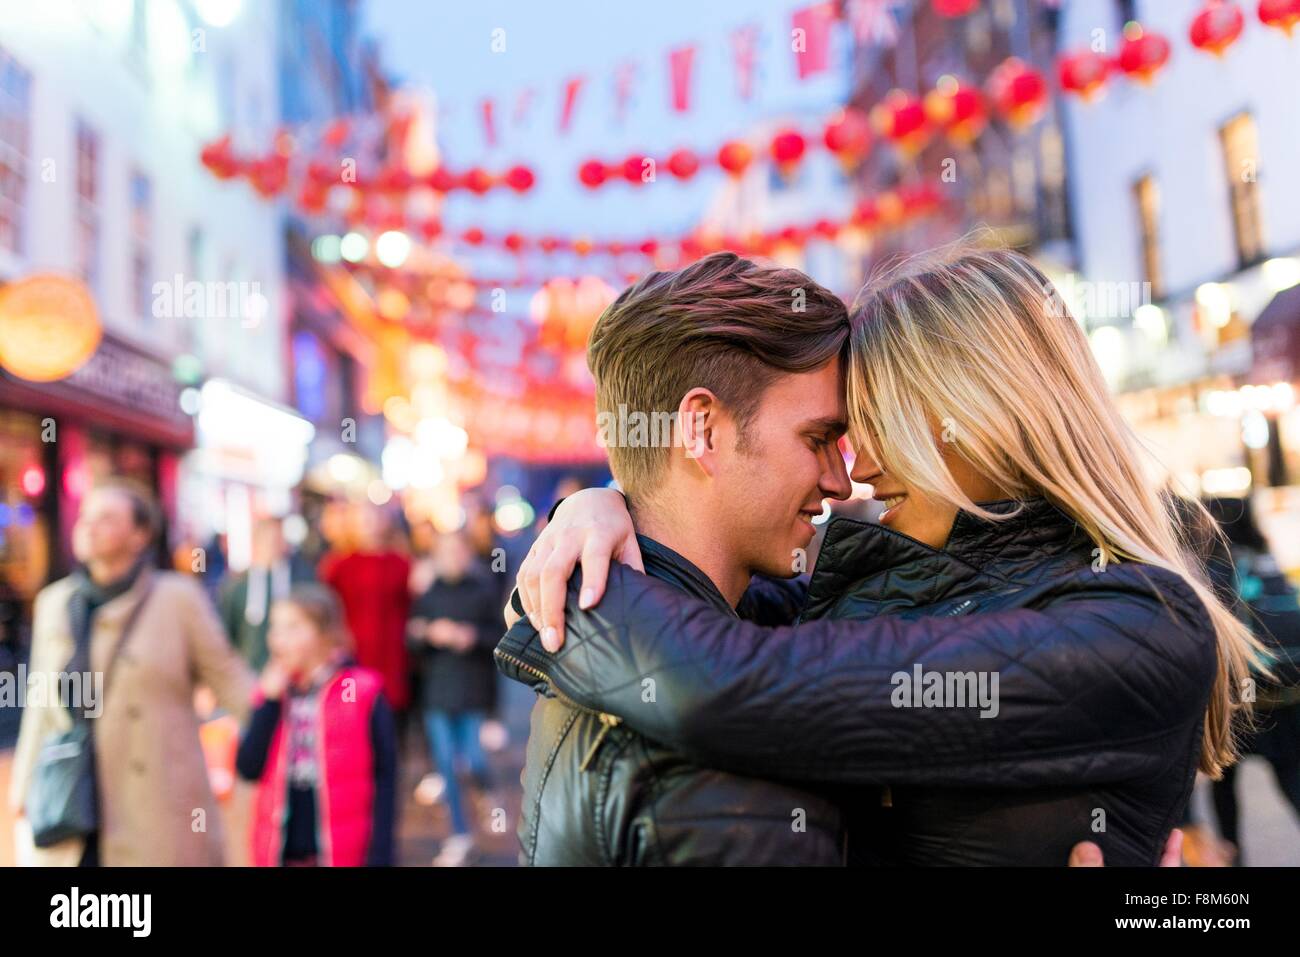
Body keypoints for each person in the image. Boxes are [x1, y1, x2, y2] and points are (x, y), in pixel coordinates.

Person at [504, 246, 1260, 866]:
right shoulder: (904, 581)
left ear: (981, 413)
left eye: (877, 424)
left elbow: (724, 683)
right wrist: (595, 509)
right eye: (830, 435)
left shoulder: (1138, 624)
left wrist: (571, 587)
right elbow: (700, 604)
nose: (855, 471)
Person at [498, 254, 850, 864]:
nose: (839, 481)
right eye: (817, 439)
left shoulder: (626, 653)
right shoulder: (709, 745)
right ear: (703, 431)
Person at [9, 478, 255, 865]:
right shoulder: (56, 602)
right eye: (86, 516)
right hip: (74, 796)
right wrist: (22, 789)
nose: (88, 525)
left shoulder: (177, 599)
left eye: (106, 518)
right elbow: (40, 704)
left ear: (140, 535)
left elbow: (229, 679)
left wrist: (274, 727)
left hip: (158, 802)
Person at [236, 584, 397, 867]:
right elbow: (248, 766)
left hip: (342, 851)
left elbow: (386, 779)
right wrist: (269, 704)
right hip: (281, 851)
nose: (279, 639)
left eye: (293, 627)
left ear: (326, 633)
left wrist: (380, 855)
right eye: (276, 628)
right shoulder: (274, 692)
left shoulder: (362, 691)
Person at [1202, 495, 1300, 864]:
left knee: (1223, 783)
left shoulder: (1217, 568)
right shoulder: (1268, 561)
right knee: (1294, 779)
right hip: (1289, 693)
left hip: (1241, 701)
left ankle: (1233, 856)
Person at [408, 530, 503, 866]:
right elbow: (412, 636)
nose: (452, 558)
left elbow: (500, 636)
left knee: (475, 758)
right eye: (445, 552)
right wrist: (427, 633)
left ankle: (485, 791)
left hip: (472, 689)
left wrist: (470, 636)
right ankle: (459, 833)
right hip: (436, 691)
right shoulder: (427, 594)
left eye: (457, 552)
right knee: (446, 763)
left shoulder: (483, 591)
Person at [318, 504, 412, 715]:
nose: (371, 526)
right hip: (352, 650)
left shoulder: (400, 564)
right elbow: (327, 608)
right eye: (365, 520)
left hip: (391, 652)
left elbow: (407, 605)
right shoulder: (338, 565)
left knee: (388, 712)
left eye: (376, 519)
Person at [217, 516, 299, 671]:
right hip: (248, 670)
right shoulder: (237, 586)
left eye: (277, 540)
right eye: (268, 540)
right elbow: (226, 632)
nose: (273, 545)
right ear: (256, 542)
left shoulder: (298, 580)